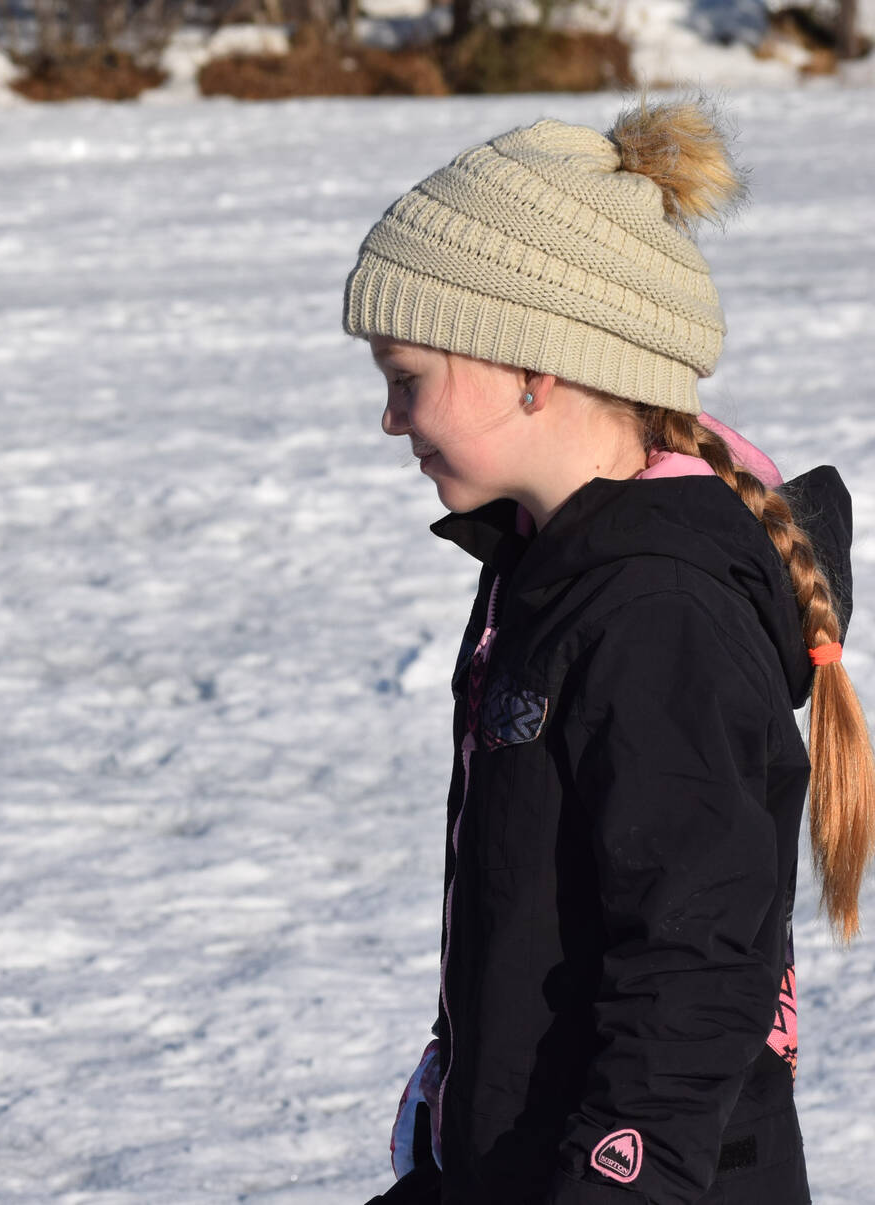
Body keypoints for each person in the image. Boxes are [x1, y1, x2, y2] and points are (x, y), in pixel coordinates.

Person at [344, 100, 870, 1204]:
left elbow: (693, 963)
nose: (391, 420)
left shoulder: (651, 608)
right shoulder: (544, 569)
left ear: (531, 366)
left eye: (406, 377)